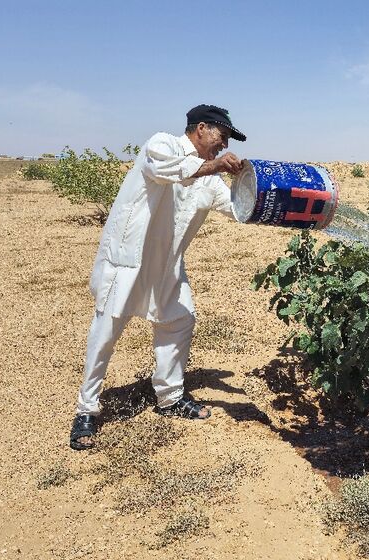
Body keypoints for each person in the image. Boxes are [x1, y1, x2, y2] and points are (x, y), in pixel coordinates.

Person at [70, 104, 247, 450]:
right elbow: (172, 170)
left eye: (226, 141)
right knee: (106, 332)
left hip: (167, 267)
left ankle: (169, 397)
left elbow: (239, 209)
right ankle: (86, 410)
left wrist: (270, 196)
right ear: (200, 129)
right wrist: (213, 166)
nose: (223, 145)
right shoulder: (162, 145)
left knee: (179, 321)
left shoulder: (210, 180)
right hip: (129, 262)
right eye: (221, 137)